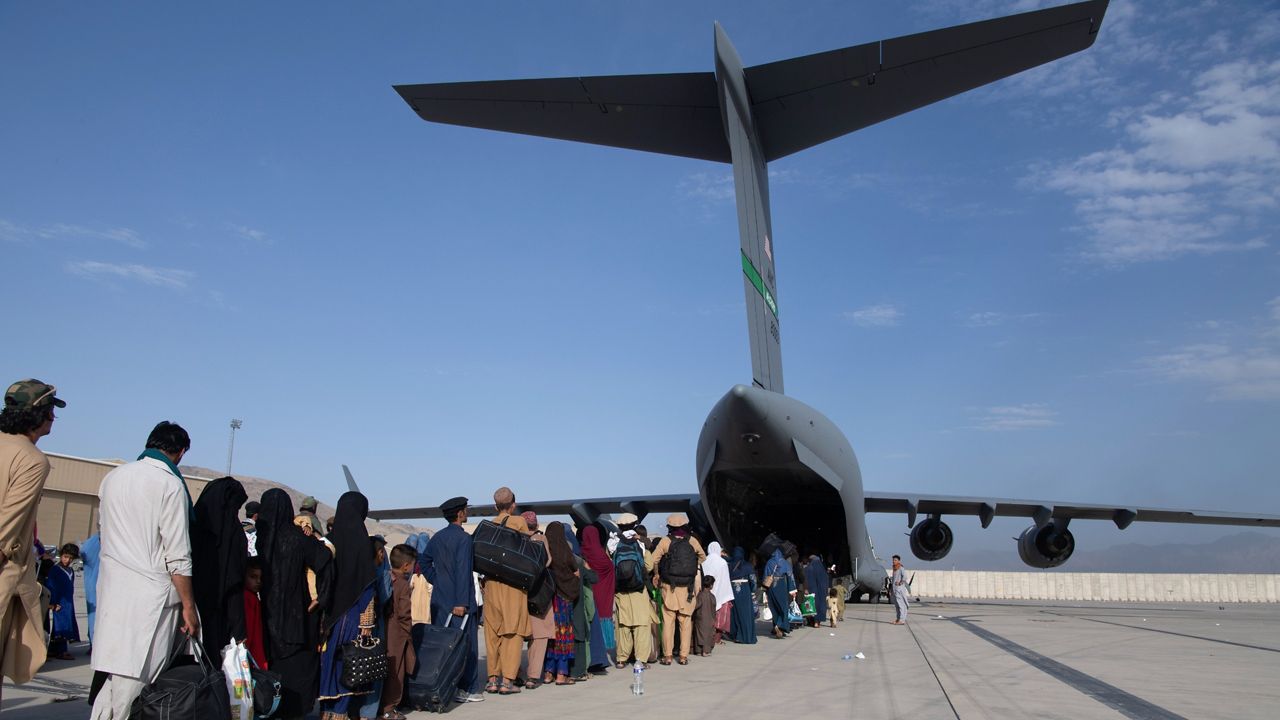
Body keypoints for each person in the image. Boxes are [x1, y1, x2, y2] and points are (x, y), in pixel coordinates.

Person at [91, 421, 198, 719]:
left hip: (113, 590)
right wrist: (189, 605)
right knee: (137, 683)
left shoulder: (113, 478)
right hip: (152, 599)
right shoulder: (169, 483)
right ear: (180, 452)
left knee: (113, 680)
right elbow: (177, 554)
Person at [0, 379, 62, 692]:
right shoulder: (32, 461)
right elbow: (5, 530)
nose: (54, 418)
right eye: (51, 411)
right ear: (39, 414)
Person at [257, 488, 333, 720]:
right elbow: (325, 559)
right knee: (298, 671)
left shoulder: (261, 539)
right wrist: (321, 596)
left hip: (267, 616)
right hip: (296, 618)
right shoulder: (297, 537)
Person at [318, 492, 377, 719]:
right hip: (353, 614)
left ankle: (327, 710)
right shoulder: (363, 542)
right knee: (350, 665)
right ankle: (341, 712)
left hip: (329, 615)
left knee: (329, 663)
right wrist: (367, 622)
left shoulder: (329, 540)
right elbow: (369, 585)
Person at [422, 496, 483, 704]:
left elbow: (424, 560)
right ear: (459, 514)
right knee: (467, 646)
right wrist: (461, 602)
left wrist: (437, 581)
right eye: (465, 510)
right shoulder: (464, 539)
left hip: (441, 601)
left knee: (441, 646)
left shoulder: (437, 537)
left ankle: (444, 685)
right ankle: (469, 688)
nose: (467, 513)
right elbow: (462, 571)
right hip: (459, 604)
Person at [191, 476, 248, 661]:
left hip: (186, 611)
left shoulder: (191, 525)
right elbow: (234, 584)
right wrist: (239, 632)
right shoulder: (233, 535)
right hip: (218, 618)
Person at [481, 487, 531, 695]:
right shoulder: (519, 522)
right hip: (513, 585)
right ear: (514, 504)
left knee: (492, 633)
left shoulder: (490, 524)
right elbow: (526, 552)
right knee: (513, 631)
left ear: (495, 506)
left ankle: (492, 679)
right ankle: (507, 681)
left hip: (491, 584)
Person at [648, 513, 706, 666]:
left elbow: (653, 560)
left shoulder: (665, 541)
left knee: (668, 622)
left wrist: (657, 573)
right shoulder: (692, 540)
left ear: (670, 526)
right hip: (687, 588)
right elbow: (702, 557)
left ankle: (667, 656)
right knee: (685, 622)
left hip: (670, 587)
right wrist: (692, 565)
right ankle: (683, 656)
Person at [379, 544, 417, 720]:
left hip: (383, 630)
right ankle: (389, 708)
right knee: (396, 672)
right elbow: (404, 613)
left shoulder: (384, 577)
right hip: (397, 635)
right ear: (406, 566)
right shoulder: (402, 584)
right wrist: (408, 633)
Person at [357, 536, 392, 720]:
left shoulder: (355, 569)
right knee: (374, 668)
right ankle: (368, 712)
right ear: (379, 553)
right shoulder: (379, 571)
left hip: (352, 626)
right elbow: (385, 594)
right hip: (373, 624)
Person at [611, 516, 653, 667]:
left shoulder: (613, 543)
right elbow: (648, 566)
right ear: (634, 524)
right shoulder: (640, 543)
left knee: (623, 626)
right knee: (641, 626)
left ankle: (622, 658)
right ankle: (641, 659)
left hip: (621, 591)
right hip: (639, 590)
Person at [540, 521, 578, 686]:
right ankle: (562, 674)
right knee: (563, 634)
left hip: (548, 600)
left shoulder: (544, 552)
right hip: (564, 600)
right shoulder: (565, 550)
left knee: (550, 636)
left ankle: (548, 673)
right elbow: (576, 572)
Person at [521, 511, 553, 689]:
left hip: (518, 592)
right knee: (539, 636)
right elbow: (547, 560)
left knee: (515, 636)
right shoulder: (541, 539)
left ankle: (513, 673)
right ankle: (533, 676)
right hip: (537, 592)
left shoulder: (516, 539)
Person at [578, 524, 615, 672]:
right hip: (603, 594)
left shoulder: (581, 554)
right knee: (602, 622)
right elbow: (611, 570)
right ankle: (602, 654)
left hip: (589, 594)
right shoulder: (601, 555)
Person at [564, 525, 597, 681]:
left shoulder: (551, 561)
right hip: (578, 606)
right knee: (581, 638)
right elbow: (594, 580)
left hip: (559, 608)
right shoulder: (578, 562)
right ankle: (580, 670)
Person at [45, 543, 81, 660]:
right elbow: (50, 586)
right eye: (65, 557)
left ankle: (52, 649)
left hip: (69, 602)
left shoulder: (71, 570)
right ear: (61, 555)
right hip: (59, 602)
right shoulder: (55, 570)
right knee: (61, 625)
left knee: (66, 623)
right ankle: (62, 650)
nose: (67, 560)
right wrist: (52, 604)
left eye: (70, 558)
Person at [702, 542, 734, 645]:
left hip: (706, 592)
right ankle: (717, 639)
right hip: (720, 592)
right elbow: (725, 580)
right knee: (719, 618)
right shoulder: (722, 562)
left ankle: (706, 638)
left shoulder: (704, 561)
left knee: (706, 617)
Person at [762, 547, 795, 640]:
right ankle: (780, 626)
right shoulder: (784, 562)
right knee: (783, 607)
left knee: (774, 608)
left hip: (771, 586)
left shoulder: (769, 562)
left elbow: (765, 575)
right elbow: (790, 575)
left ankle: (776, 625)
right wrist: (792, 589)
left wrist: (765, 589)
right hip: (781, 586)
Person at [726, 547, 757, 644]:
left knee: (735, 614)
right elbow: (753, 580)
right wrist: (753, 591)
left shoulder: (729, 565)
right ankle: (745, 636)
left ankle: (736, 635)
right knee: (745, 615)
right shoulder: (748, 566)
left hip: (733, 591)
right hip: (745, 591)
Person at [243, 557, 267, 668]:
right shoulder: (248, 598)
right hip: (252, 653)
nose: (258, 581)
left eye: (260, 578)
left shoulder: (252, 598)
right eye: (253, 577)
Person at [80, 533, 101, 645]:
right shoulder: (96, 542)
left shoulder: (91, 542)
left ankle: (94, 641)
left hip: (93, 584)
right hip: (98, 583)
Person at [691, 576, 717, 656]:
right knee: (708, 635)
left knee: (699, 634)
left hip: (700, 619)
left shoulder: (700, 595)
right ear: (711, 585)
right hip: (710, 619)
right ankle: (706, 651)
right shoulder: (712, 596)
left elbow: (696, 606)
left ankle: (698, 651)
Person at [804, 554, 831, 629]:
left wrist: (806, 589)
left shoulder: (808, 569)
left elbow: (805, 580)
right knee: (821, 605)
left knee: (811, 606)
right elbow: (826, 581)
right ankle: (817, 622)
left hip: (811, 590)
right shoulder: (822, 569)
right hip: (821, 592)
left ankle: (811, 621)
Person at [890, 555, 910, 625]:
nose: (893, 561)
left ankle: (902, 620)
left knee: (901, 605)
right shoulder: (894, 569)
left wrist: (900, 582)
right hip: (894, 590)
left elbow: (905, 577)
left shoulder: (901, 568)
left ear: (898, 561)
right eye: (893, 560)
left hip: (899, 590)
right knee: (897, 605)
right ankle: (898, 619)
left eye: (895, 560)